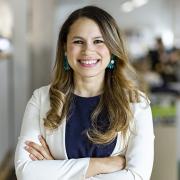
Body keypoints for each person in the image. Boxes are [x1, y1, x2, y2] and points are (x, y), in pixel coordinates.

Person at [15, 5, 154, 180]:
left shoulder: (136, 103)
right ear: (65, 49)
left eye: (98, 41)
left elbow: (137, 176)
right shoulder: (42, 99)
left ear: (112, 49)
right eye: (78, 41)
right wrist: (102, 165)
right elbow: (26, 172)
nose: (88, 50)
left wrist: (55, 170)